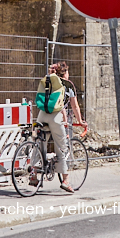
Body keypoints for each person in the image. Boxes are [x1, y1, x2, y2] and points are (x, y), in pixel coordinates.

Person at [34, 62, 85, 193]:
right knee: (62, 147)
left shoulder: (48, 80)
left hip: (42, 115)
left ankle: (33, 174)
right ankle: (66, 181)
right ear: (64, 73)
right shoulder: (68, 85)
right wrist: (81, 121)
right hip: (56, 117)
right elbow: (75, 106)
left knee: (39, 144)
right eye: (67, 72)